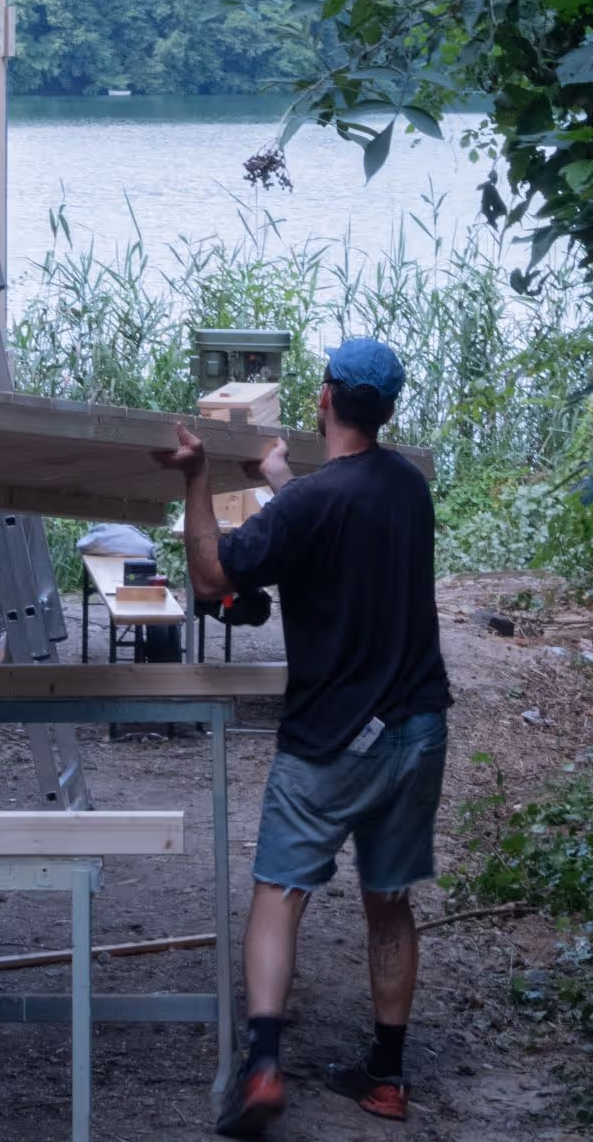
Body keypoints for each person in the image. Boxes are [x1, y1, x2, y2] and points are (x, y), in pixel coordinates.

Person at [155, 338, 450, 1137]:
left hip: (332, 738)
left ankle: (261, 1068)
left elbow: (216, 577)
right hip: (418, 727)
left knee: (279, 892)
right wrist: (281, 484)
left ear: (324, 399)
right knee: (388, 902)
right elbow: (336, 520)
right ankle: (387, 1077)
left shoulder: (313, 504)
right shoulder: (408, 489)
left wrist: (195, 477)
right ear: (385, 409)